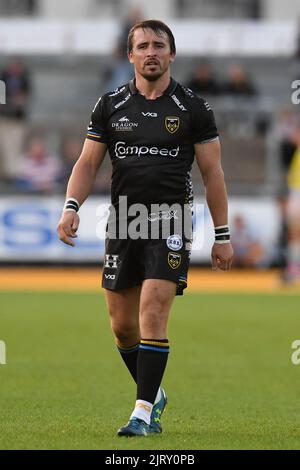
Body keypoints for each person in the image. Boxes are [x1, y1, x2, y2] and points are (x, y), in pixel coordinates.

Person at [57, 20, 234, 437]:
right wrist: (70, 206)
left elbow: (213, 174)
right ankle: (154, 391)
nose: (151, 52)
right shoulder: (110, 104)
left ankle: (141, 413)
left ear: (172, 54)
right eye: (143, 46)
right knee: (122, 326)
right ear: (130, 55)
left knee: (152, 311)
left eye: (159, 45)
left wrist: (222, 235)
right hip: (123, 220)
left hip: (170, 218)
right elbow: (87, 162)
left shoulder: (194, 107)